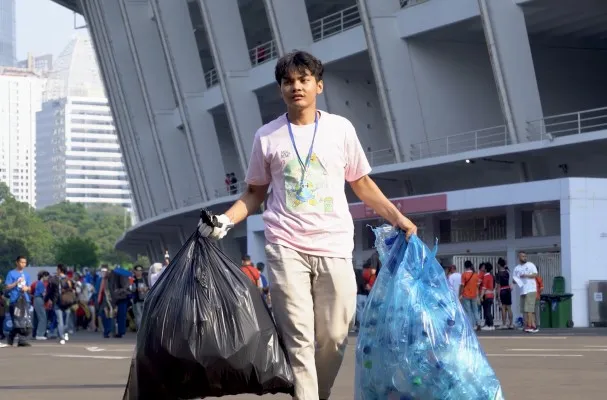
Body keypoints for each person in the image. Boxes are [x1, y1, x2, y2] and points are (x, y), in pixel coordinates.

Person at [198, 50, 417, 400]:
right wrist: (224, 221)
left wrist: (397, 217)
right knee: (298, 337)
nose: (295, 87)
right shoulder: (267, 137)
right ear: (280, 89)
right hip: (285, 246)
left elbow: (361, 183)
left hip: (334, 245)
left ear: (319, 85)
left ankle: (318, 393)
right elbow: (254, 193)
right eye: (288, 82)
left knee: (334, 333)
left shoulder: (340, 129)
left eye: (303, 80)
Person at [4, 256, 32, 347]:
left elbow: (30, 288)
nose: (23, 264)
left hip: (25, 300)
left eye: (25, 262)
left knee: (25, 321)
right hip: (15, 300)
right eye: (21, 262)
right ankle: (12, 336)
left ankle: (21, 340)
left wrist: (26, 288)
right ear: (17, 262)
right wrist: (15, 283)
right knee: (17, 321)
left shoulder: (26, 275)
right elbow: (7, 287)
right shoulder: (11, 273)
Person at [513, 251, 538, 333]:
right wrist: (515, 281)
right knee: (524, 309)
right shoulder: (517, 268)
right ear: (519, 257)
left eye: (525, 256)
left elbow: (535, 274)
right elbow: (514, 280)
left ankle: (529, 325)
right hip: (522, 290)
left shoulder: (530, 265)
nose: (524, 258)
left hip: (530, 289)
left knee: (529, 309)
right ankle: (531, 325)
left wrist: (526, 275)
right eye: (522, 256)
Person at [459, 260, 480, 331]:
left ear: (465, 266)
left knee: (468, 311)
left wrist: (460, 294)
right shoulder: (476, 274)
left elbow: (462, 285)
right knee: (475, 310)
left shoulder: (464, 274)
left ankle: (471, 325)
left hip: (466, 294)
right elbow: (477, 285)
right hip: (474, 294)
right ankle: (478, 323)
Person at [495, 258, 513, 329]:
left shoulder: (498, 274)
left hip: (502, 291)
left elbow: (498, 286)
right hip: (508, 290)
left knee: (503, 307)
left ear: (499, 264)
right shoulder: (507, 272)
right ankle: (511, 324)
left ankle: (504, 324)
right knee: (509, 307)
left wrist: (498, 296)